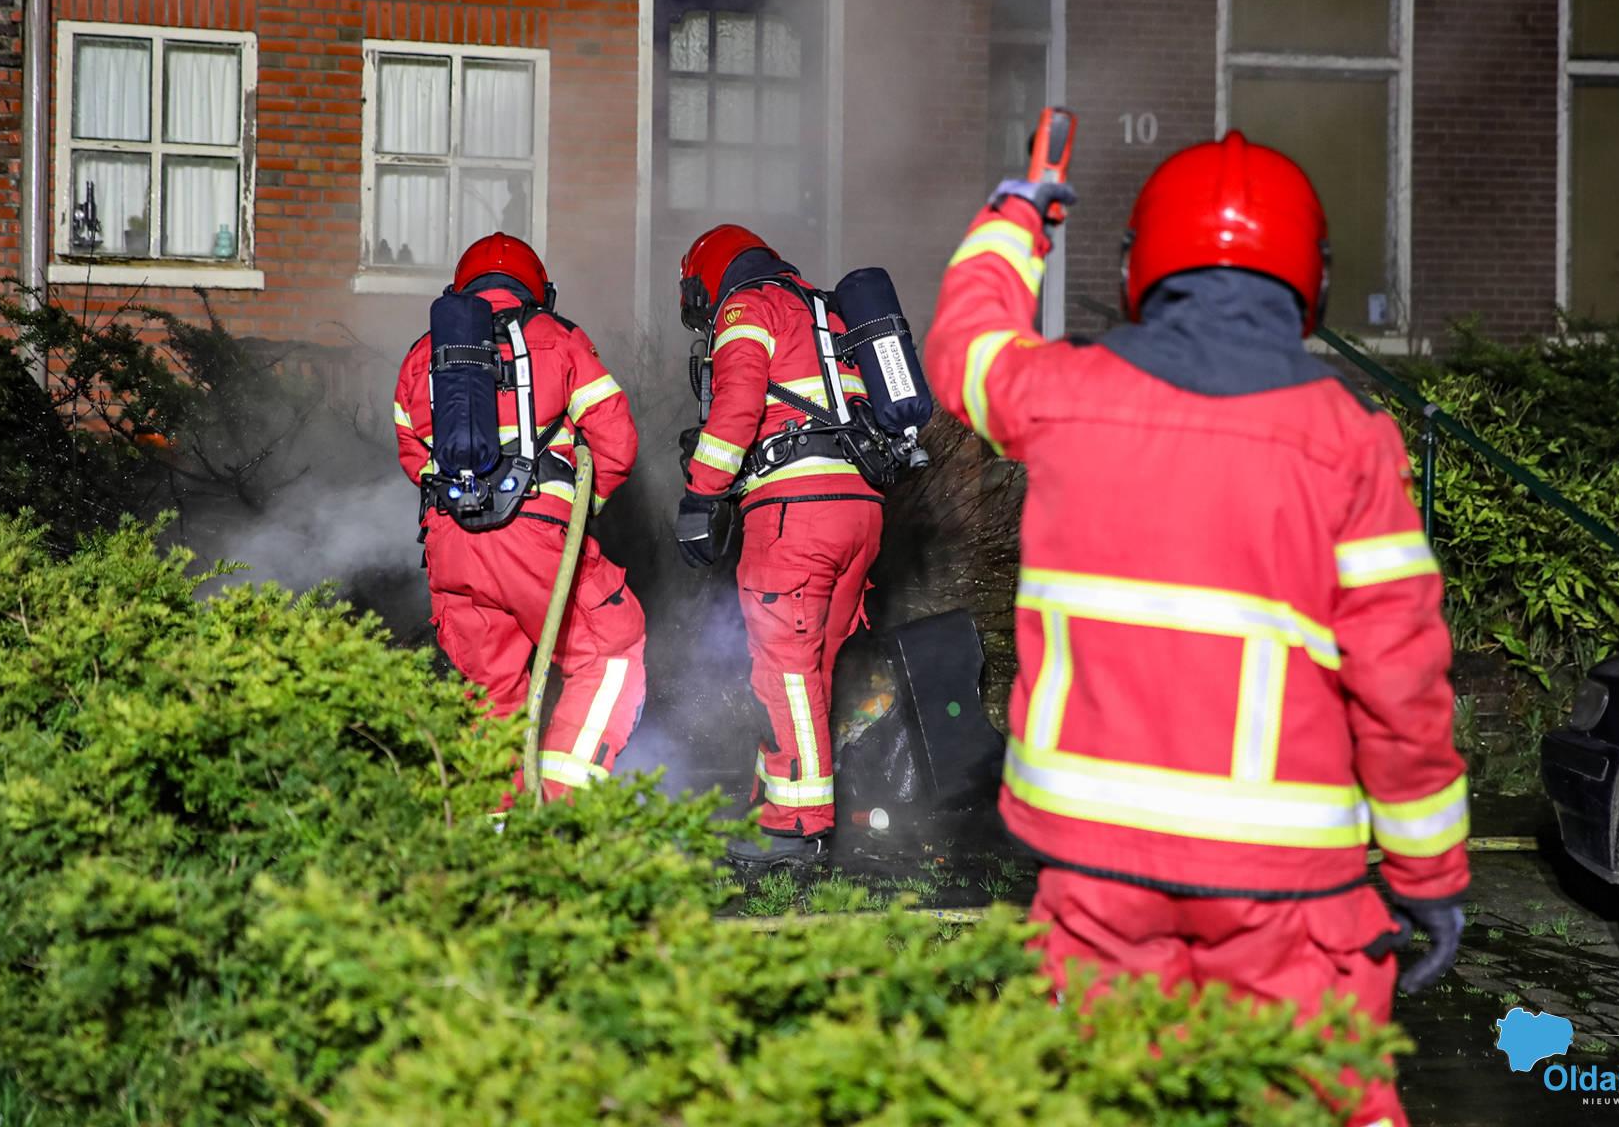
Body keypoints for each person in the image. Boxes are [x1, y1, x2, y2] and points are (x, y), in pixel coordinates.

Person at [923, 132, 1469, 1127]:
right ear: (1313, 280)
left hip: (1095, 869)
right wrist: (1428, 874)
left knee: (1107, 1099)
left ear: (1138, 269)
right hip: (1282, 884)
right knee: (1321, 1099)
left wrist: (1018, 216)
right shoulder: (1348, 442)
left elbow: (966, 349)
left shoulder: (1063, 395)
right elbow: (1402, 683)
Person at [394, 232, 646, 810]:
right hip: (536, 538)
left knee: (489, 694)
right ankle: (559, 814)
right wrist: (578, 509)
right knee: (610, 650)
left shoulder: (421, 355)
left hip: (451, 548)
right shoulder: (557, 338)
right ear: (538, 291)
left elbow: (413, 456)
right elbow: (617, 441)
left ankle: (493, 834)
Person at [672, 225, 883, 871]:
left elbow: (737, 406)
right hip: (861, 509)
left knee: (784, 669)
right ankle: (774, 803)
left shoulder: (748, 307)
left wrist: (701, 494)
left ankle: (796, 827)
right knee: (811, 670)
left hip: (796, 516)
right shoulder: (825, 310)